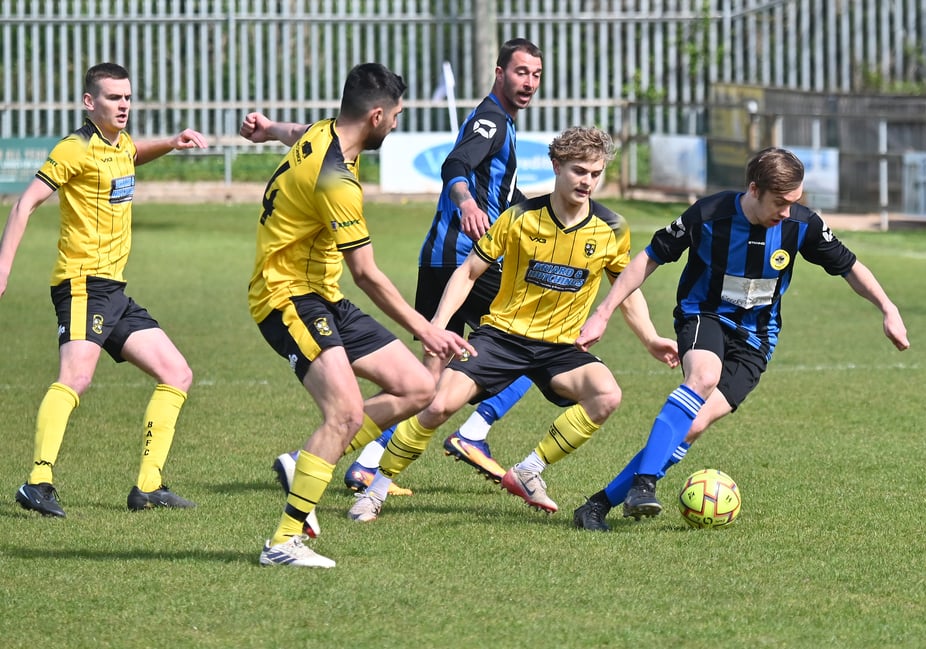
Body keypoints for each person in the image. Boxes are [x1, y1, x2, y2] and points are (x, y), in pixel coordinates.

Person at [346, 126, 680, 523]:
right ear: (556, 166)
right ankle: (377, 489)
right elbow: (469, 272)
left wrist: (650, 338)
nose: (587, 181)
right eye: (578, 171)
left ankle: (528, 470)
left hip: (560, 347)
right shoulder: (519, 218)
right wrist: (437, 324)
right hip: (503, 336)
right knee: (437, 405)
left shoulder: (611, 228)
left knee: (606, 396)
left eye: (595, 173)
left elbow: (626, 290)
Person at [572, 146, 911, 532]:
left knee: (695, 425)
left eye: (794, 202)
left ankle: (597, 506)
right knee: (702, 377)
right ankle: (645, 484)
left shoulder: (801, 224)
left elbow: (849, 266)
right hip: (704, 314)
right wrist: (603, 312)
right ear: (754, 189)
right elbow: (650, 257)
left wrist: (888, 307)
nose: (786, 212)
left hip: (757, 335)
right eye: (780, 202)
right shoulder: (708, 215)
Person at [270, 38, 545, 494]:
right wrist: (466, 204)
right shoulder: (491, 120)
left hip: (444, 259)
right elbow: (455, 165)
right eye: (520, 72)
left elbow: (506, 197)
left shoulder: (503, 124)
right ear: (499, 73)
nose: (529, 82)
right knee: (532, 342)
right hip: (461, 259)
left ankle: (363, 464)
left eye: (535, 74)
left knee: (428, 376)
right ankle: (473, 432)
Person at [245, 62, 475, 568]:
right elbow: (367, 274)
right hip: (287, 297)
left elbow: (295, 132)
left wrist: (267, 133)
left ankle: (302, 464)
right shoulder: (337, 181)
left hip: (322, 294)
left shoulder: (322, 134)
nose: (395, 124)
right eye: (395, 116)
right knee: (345, 412)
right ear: (375, 115)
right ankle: (283, 542)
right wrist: (427, 328)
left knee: (417, 387)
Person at [0, 62, 207, 517]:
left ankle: (148, 487)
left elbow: (131, 156)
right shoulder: (74, 149)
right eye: (114, 98)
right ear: (90, 102)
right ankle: (37, 482)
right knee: (76, 377)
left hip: (114, 291)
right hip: (81, 285)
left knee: (177, 373)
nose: (124, 105)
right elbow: (25, 204)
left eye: (128, 97)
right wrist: (2, 268)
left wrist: (171, 143)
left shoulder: (120, 144)